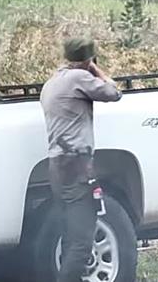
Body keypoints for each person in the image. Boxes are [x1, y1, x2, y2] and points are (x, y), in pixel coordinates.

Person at [39, 37, 123, 282]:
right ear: (87, 59)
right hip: (77, 167)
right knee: (82, 243)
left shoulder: (52, 82)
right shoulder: (79, 78)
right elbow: (114, 92)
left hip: (58, 167)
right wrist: (95, 69)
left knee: (69, 237)